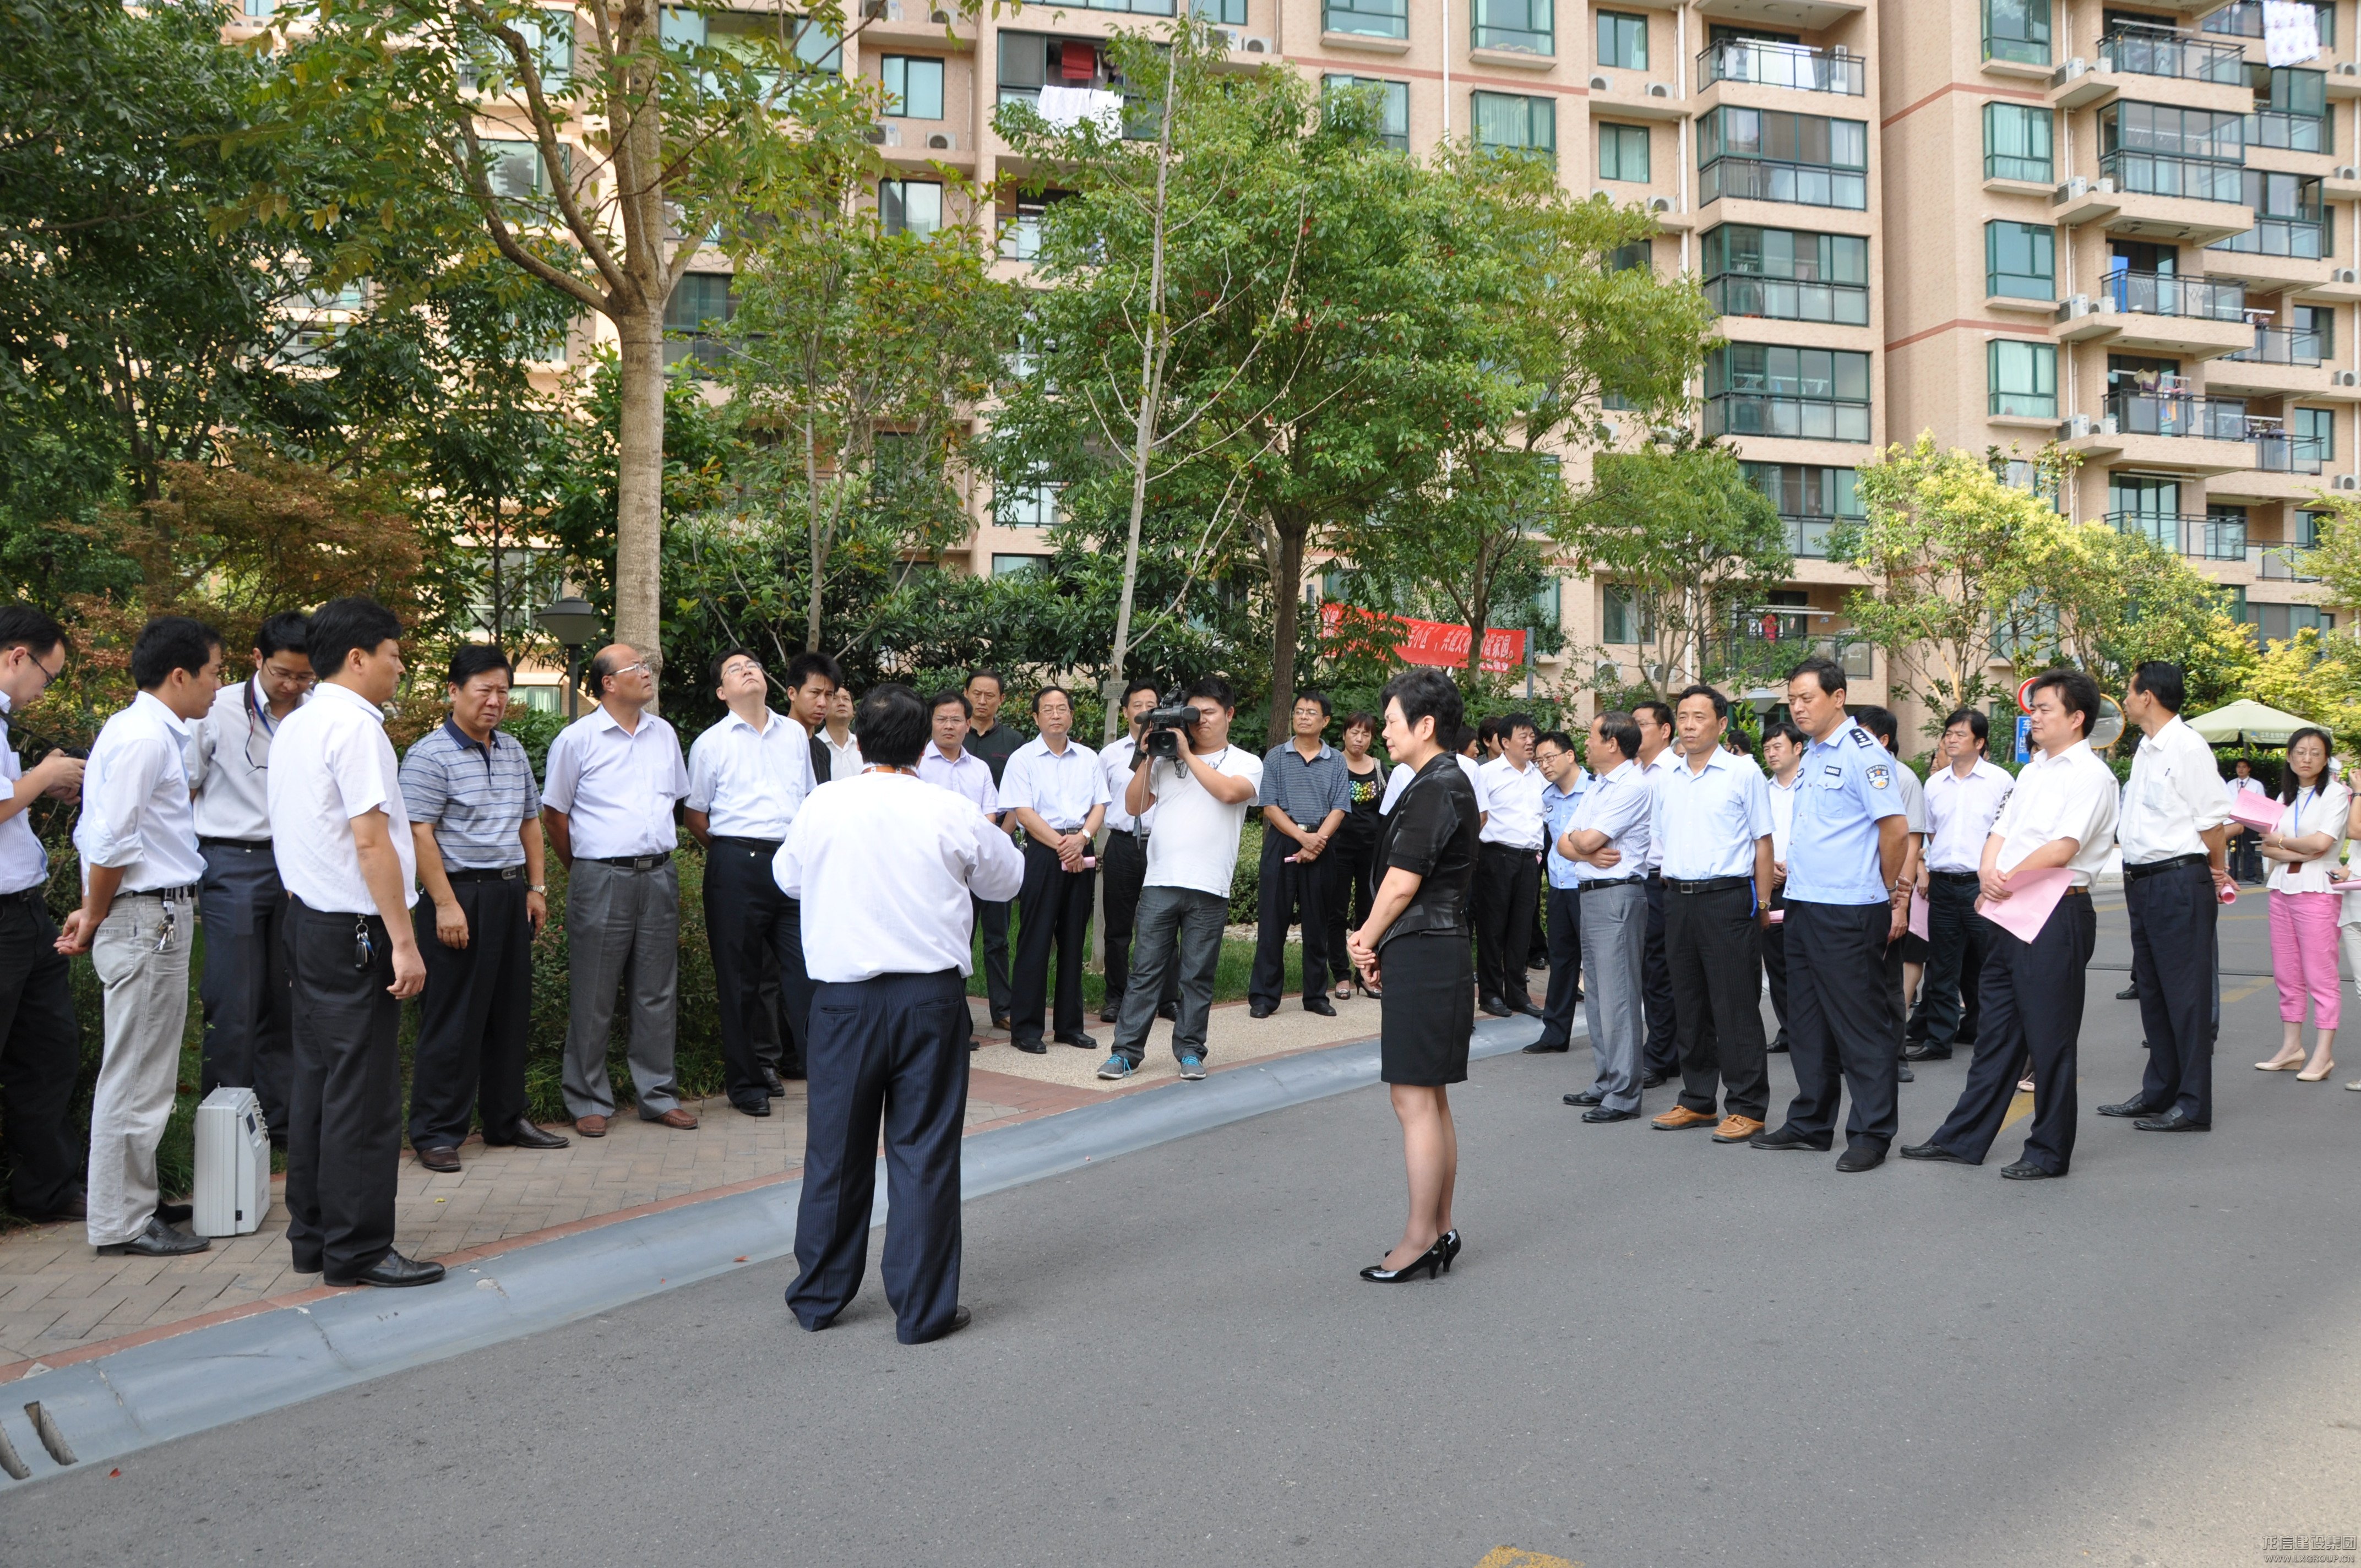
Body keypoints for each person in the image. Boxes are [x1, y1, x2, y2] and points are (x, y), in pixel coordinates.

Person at [776, 684, 1023, 1344]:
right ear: (923, 744)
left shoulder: (822, 804)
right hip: (928, 1002)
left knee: (835, 1148)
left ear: (858, 740)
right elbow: (1007, 880)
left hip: (843, 1003)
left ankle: (820, 1296)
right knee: (923, 1151)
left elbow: (787, 878)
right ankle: (922, 1310)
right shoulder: (949, 806)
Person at [265, 597, 441, 1286]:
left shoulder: (298, 724)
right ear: (359, 656)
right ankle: (360, 1248)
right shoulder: (357, 729)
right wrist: (404, 939)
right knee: (363, 1096)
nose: (400, 668)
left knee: (316, 1085)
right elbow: (372, 842)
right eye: (394, 655)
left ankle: (314, 1237)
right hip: (357, 931)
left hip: (307, 925)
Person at [1904, 670, 2118, 1179]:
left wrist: (2008, 877)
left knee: (2049, 1040)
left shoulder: (2091, 775)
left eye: (2045, 709)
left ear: (2077, 718)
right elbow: (2000, 830)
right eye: (2034, 708)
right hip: (2010, 907)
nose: (2034, 717)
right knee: (1996, 1033)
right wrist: (1989, 872)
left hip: (2057, 909)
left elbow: (2065, 847)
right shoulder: (2033, 771)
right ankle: (1963, 1139)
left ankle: (2048, 1151)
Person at [60, 616, 221, 1258]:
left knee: (144, 1074)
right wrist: (94, 913)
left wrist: (94, 909)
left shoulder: (145, 732)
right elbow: (110, 843)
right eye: (213, 672)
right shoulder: (144, 740)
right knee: (135, 1077)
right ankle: (123, 1222)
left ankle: (133, 1201)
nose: (217, 686)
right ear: (179, 675)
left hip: (148, 912)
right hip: (144, 915)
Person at [399, 645, 565, 1168]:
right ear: (454, 691)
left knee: (508, 1011)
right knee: (453, 1017)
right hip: (458, 895)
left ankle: (504, 1118)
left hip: (509, 893)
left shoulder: (512, 750)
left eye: (503, 691)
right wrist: (445, 905)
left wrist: (536, 888)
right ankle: (436, 1132)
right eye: (483, 691)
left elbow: (529, 822)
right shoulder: (428, 755)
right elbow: (418, 833)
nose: (495, 702)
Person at [1347, 668, 1480, 1284]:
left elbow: (1402, 882)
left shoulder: (1436, 785)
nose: (1384, 732)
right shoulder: (1441, 781)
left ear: (1425, 725)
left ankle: (1420, 1236)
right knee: (1429, 1097)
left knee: (1413, 1098)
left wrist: (1364, 939)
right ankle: (1439, 1226)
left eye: (1393, 722)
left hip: (1427, 948)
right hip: (1432, 947)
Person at [1752, 657, 1908, 1173]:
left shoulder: (1864, 753)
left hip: (1850, 908)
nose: (1797, 707)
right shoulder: (1813, 753)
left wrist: (1887, 890)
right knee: (1807, 1021)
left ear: (1838, 697)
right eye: (1792, 699)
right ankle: (1810, 1124)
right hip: (1804, 903)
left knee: (1860, 1026)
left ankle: (1870, 1133)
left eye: (1807, 698)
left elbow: (1895, 830)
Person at [542, 642, 696, 1139]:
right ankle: (588, 1098)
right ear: (608, 682)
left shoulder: (664, 734)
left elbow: (673, 800)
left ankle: (658, 1095)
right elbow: (555, 816)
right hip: (601, 875)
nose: (647, 673)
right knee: (595, 992)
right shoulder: (577, 739)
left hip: (658, 875)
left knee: (657, 991)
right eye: (636, 667)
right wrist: (585, 868)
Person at [1098, 677, 1263, 1081]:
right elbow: (1134, 805)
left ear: (1229, 715)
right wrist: (1147, 757)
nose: (1201, 721)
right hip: (1160, 880)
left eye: (1208, 713)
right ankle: (1125, 1053)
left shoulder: (1246, 762)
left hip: (1210, 884)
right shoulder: (1165, 760)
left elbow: (1228, 793)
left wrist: (1186, 753)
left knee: (1196, 974)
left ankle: (1190, 1050)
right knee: (1145, 971)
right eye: (1195, 713)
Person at [187, 609, 309, 1146]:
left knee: (285, 999)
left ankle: (278, 1123)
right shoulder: (218, 709)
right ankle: (225, 1128)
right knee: (233, 998)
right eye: (283, 673)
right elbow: (185, 784)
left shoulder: (313, 713)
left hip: (295, 864)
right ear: (257, 659)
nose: (291, 685)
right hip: (231, 859)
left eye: (304, 676)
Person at [686, 647, 819, 1118]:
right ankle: (745, 1085)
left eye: (753, 666)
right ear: (723, 692)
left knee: (808, 973)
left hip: (791, 864)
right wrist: (732, 854)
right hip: (735, 866)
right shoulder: (710, 744)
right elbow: (696, 815)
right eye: (734, 669)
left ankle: (824, 1072)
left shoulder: (795, 736)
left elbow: (807, 799)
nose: (747, 671)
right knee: (739, 980)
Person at [2099, 663, 2233, 1131]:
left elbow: (2213, 823)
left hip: (2179, 880)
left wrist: (2216, 871)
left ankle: (2193, 1104)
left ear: (2149, 696)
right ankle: (2160, 1091)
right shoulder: (2146, 749)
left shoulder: (2188, 747)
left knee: (2186, 996)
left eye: (2131, 691)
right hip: (2143, 880)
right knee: (2154, 993)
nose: (2126, 699)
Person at [1647, 684, 1775, 1142]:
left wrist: (1761, 904)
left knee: (1734, 1002)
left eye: (1699, 716)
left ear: (1721, 724)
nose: (1688, 724)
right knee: (1689, 1002)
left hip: (1727, 897)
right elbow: (1660, 840)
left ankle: (1747, 1106)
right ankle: (1697, 1099)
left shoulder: (1743, 773)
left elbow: (1763, 842)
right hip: (1678, 898)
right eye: (1682, 715)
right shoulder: (1667, 777)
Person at [0, 609, 85, 1224]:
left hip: (27, 912)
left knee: (50, 1052)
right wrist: (43, 775)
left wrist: (40, 785)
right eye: (49, 677)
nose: (44, 691)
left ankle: (46, 1190)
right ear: (17, 656)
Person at [1000, 686, 1108, 1053]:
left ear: (1072, 716)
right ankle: (1027, 1029)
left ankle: (1069, 1027)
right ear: (1036, 718)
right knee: (1035, 939)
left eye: (1062, 708)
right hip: (1045, 852)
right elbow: (1025, 814)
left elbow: (1099, 805)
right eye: (1048, 709)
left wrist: (1083, 838)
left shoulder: (1089, 758)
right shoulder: (1022, 759)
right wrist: (1064, 845)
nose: (1056, 715)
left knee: (1074, 940)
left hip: (1081, 846)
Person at [1557, 711, 1653, 1123]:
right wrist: (1585, 848)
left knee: (1619, 997)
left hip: (1617, 895)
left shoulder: (1632, 785)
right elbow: (1564, 842)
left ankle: (1624, 1093)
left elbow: (1588, 837)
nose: (1588, 744)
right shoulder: (1600, 785)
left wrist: (1583, 844)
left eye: (1593, 737)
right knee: (1597, 996)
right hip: (1592, 894)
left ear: (1613, 743)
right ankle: (1606, 1080)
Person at [1907, 710, 2014, 1064]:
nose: (1951, 740)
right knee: (1942, 967)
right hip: (1944, 886)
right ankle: (1939, 1040)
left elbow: (2008, 835)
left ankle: (1993, 1036)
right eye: (1948, 734)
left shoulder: (2001, 782)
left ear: (1980, 742)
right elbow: (1932, 831)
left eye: (1960, 735)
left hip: (1982, 887)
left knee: (1991, 965)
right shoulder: (1934, 784)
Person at [2254, 726, 2346, 1083]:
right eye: (2300, 752)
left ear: (2326, 759)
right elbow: (2267, 847)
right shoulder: (2283, 797)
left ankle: (2323, 1054)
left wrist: (2285, 843)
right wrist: (2297, 846)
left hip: (2317, 891)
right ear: (2290, 757)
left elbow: (2323, 842)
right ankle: (2292, 1048)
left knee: (2320, 976)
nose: (2306, 759)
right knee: (2287, 974)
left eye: (2315, 753)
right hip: (2282, 888)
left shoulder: (2337, 794)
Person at [1250, 691, 1349, 1020]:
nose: (1304, 716)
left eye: (1312, 712)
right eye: (1299, 711)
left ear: (1326, 721)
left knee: (1318, 922)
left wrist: (1317, 841)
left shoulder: (1336, 760)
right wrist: (1302, 838)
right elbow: (1270, 806)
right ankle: (1264, 996)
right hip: (1284, 841)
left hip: (1322, 842)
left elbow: (1339, 808)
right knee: (1272, 922)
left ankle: (1316, 995)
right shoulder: (1276, 757)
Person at [1094, 681, 1179, 1025]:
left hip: (1163, 844)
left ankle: (1168, 998)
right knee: (1118, 927)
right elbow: (1099, 801)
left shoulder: (1175, 750)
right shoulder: (1110, 755)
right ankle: (1116, 996)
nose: (1145, 710)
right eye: (1138, 704)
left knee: (1166, 923)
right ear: (1127, 711)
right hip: (1123, 843)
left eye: (1152, 704)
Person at [1857, 706, 1928, 1084]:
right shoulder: (1855, 772)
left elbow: (1911, 840)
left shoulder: (1903, 778)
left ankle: (1896, 1056)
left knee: (1888, 981)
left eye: (1863, 735)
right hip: (1854, 896)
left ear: (1883, 740)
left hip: (1886, 895)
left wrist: (1899, 903)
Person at [1473, 712, 1547, 1021]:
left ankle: (1518, 994)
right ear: (1505, 742)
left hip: (1529, 862)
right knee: (1492, 930)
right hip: (1496, 859)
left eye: (1532, 735)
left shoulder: (1540, 774)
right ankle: (1491, 994)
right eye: (1523, 736)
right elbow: (1476, 819)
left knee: (1521, 930)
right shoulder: (1487, 774)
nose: (1531, 741)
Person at [961, 667, 1021, 1028]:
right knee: (959, 932)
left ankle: (1003, 1009)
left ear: (1002, 700)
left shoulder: (1013, 743)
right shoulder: (950, 737)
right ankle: (956, 1010)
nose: (982, 701)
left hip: (999, 847)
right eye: (976, 694)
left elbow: (1018, 798)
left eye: (990, 695)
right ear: (966, 694)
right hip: (958, 852)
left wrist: (999, 837)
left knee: (998, 936)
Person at [1524, 729, 1587, 1055]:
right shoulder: (1547, 796)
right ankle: (1555, 1034)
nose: (1544, 765)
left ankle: (1612, 1039)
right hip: (1561, 887)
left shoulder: (1595, 790)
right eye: (1539, 761)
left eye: (1550, 758)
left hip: (1590, 888)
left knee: (1598, 964)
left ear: (1570, 755)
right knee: (1561, 962)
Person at [1632, 698, 1679, 1088]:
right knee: (1652, 971)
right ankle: (1670, 1051)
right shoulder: (1635, 772)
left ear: (1664, 731)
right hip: (1640, 878)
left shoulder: (1673, 772)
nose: (1634, 730)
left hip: (1664, 879)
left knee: (1660, 971)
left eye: (1642, 724)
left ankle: (1660, 1056)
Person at [1323, 711, 1386, 1001]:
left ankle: (1367, 973)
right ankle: (1341, 975)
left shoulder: (1379, 768)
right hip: (1337, 848)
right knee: (1335, 913)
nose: (1359, 739)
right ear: (1345, 734)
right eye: (1354, 733)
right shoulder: (1333, 764)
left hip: (1370, 850)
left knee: (1369, 914)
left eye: (1366, 734)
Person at [1761, 721, 1805, 1055]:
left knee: (1809, 962)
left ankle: (1812, 1031)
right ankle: (1790, 1030)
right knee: (1777, 962)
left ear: (1798, 748)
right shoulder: (1762, 789)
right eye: (1767, 748)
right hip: (1772, 885)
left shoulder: (1813, 785)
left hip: (1808, 886)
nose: (1772, 753)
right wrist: (1766, 869)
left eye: (1778, 747)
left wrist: (1796, 866)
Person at [783, 651, 840, 786]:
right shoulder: (770, 740)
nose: (822, 703)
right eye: (815, 693)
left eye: (829, 695)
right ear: (792, 693)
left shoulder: (823, 750)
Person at [2228, 757, 2267, 884]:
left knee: (2249, 848)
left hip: (2249, 821)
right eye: (2239, 767)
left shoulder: (2256, 785)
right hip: (2233, 821)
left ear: (2249, 769)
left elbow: (2262, 802)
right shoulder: (2230, 784)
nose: (2241, 769)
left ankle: (2250, 875)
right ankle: (2233, 874)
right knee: (2234, 849)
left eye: (2244, 767)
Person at [818, 682, 863, 782]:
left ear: (853, 712)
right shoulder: (814, 746)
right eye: (835, 698)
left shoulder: (865, 745)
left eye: (846, 699)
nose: (841, 703)